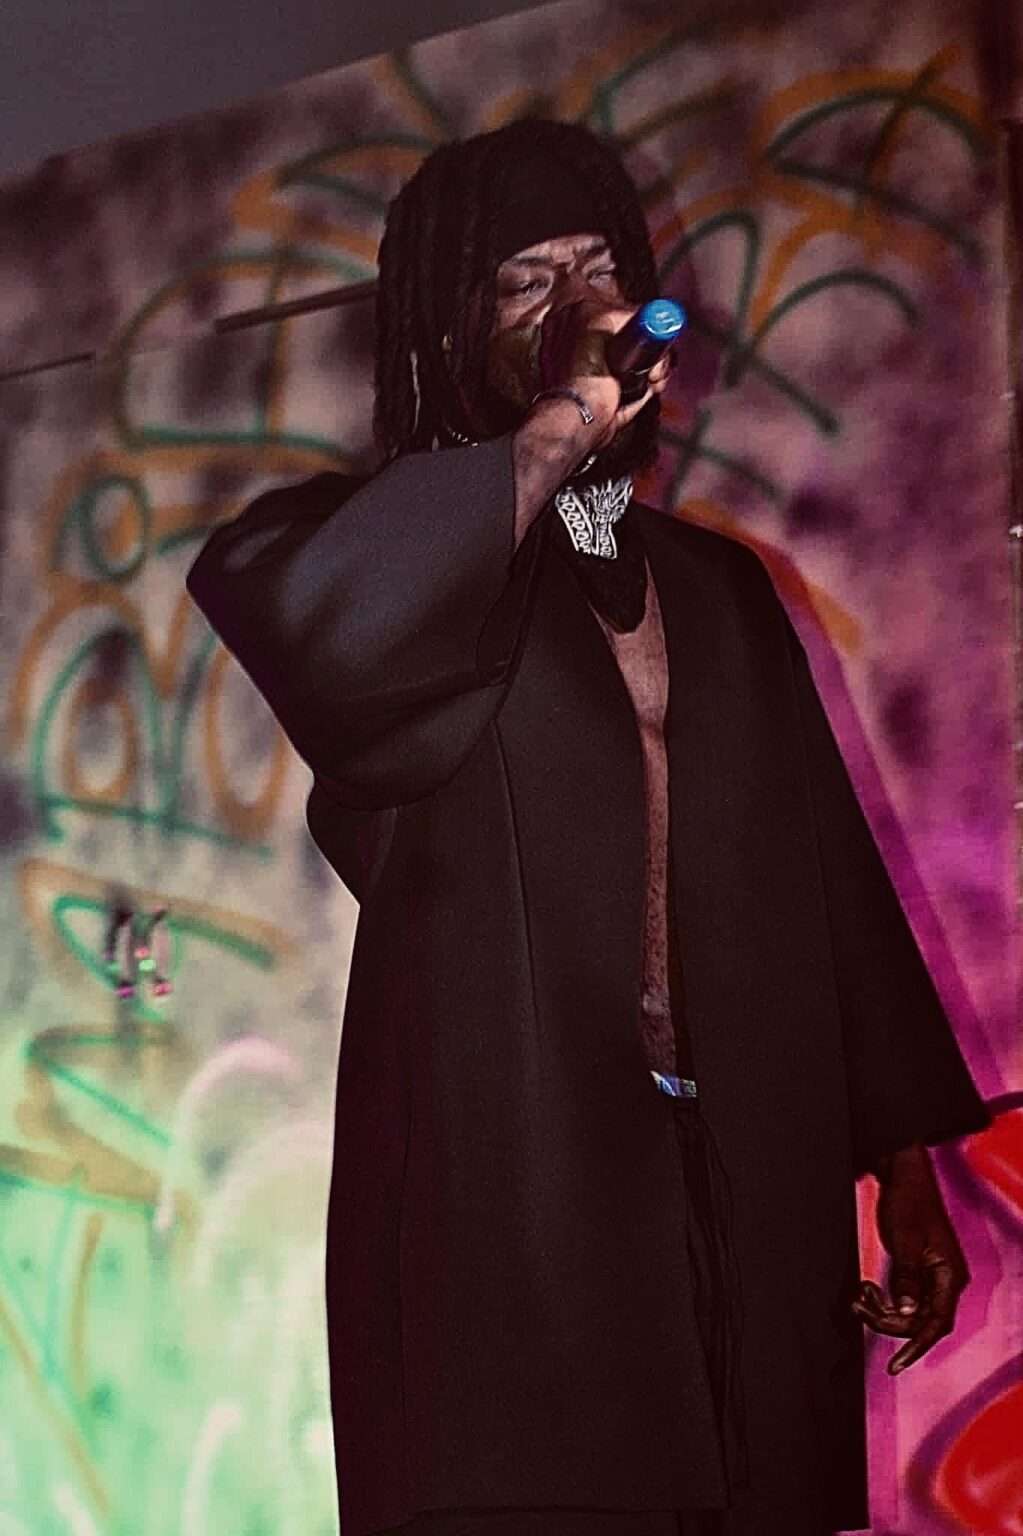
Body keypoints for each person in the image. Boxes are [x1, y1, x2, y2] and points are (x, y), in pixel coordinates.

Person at [185, 119, 992, 1536]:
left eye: (601, 270)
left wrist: (908, 1174)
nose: (578, 304)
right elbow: (316, 622)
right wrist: (561, 426)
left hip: (736, 1171)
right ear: (452, 325)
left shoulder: (725, 592)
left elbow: (828, 887)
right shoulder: (402, 568)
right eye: (525, 280)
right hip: (520, 1181)